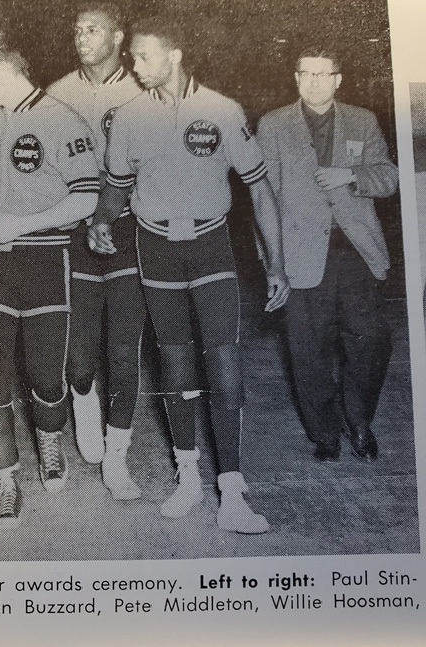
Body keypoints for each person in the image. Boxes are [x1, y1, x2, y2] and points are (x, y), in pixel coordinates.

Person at [89, 17, 289, 533]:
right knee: (176, 367)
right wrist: (100, 220)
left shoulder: (221, 111)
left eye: (143, 56)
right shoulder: (128, 116)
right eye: (131, 56)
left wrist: (277, 261)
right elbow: (115, 187)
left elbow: (260, 190)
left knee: (224, 368)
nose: (134, 65)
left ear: (174, 55)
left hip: (211, 248)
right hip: (155, 248)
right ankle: (188, 477)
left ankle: (233, 491)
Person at [0, 36, 100, 527]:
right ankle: (5, 481)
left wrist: (20, 224)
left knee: (46, 376)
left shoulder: (61, 120)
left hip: (46, 259)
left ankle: (49, 440)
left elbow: (87, 198)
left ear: (4, 72)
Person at [257, 50, 398, 462]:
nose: (315, 81)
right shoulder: (274, 125)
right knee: (307, 348)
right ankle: (325, 432)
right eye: (306, 73)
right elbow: (263, 197)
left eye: (323, 74)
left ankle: (358, 420)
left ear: (339, 79)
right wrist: (273, 264)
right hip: (301, 252)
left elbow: (388, 176)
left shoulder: (362, 120)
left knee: (370, 339)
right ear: (296, 77)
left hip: (355, 249)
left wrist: (351, 175)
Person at [46, 2, 144, 499]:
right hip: (74, 231)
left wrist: (116, 212)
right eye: (77, 29)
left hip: (129, 230)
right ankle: (84, 400)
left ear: (118, 37)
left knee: (125, 347)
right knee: (79, 353)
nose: (82, 37)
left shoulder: (142, 90)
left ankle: (118, 458)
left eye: (93, 29)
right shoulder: (57, 95)